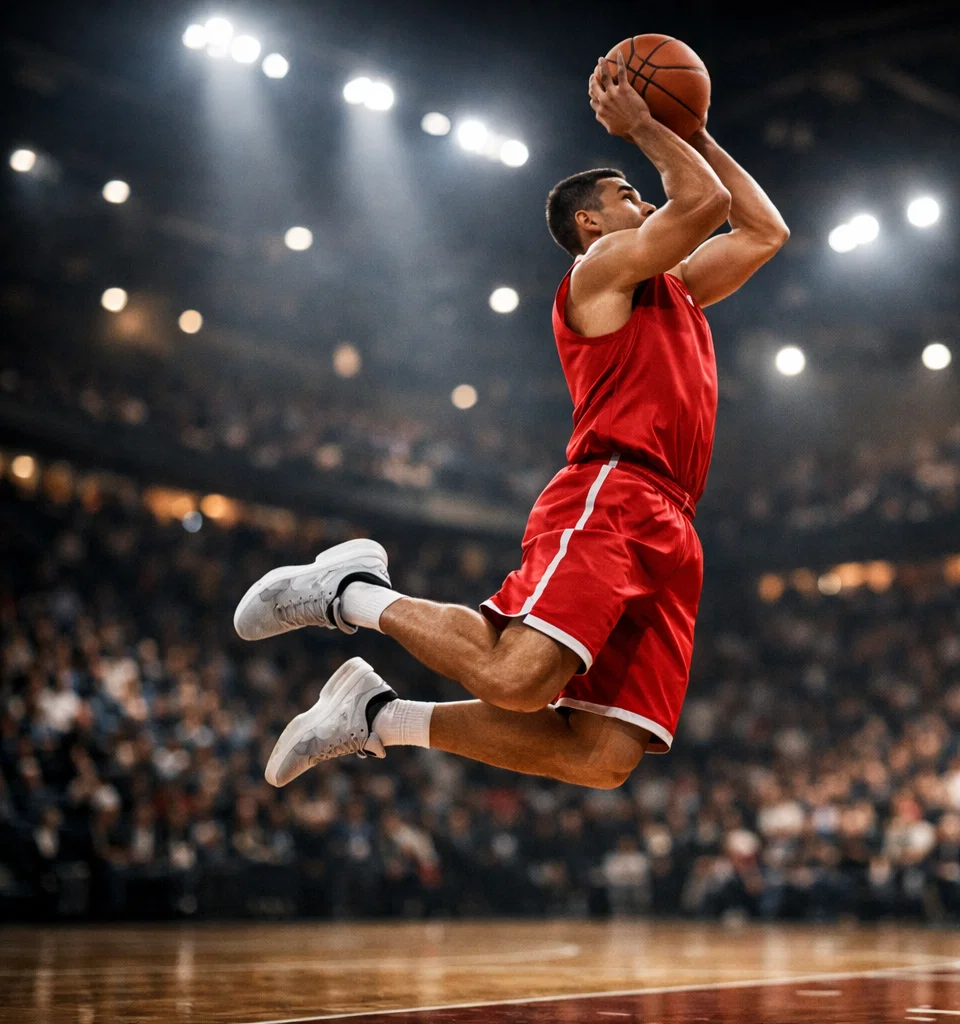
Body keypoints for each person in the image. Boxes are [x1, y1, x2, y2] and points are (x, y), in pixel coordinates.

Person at [232, 57, 788, 791]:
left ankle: (375, 719)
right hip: (614, 491)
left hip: (676, 519)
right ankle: (350, 591)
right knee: (517, 677)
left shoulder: (675, 286)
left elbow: (763, 230)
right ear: (590, 222)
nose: (646, 202)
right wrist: (648, 126)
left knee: (602, 756)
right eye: (628, 194)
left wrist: (698, 131)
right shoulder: (599, 271)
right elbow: (702, 206)